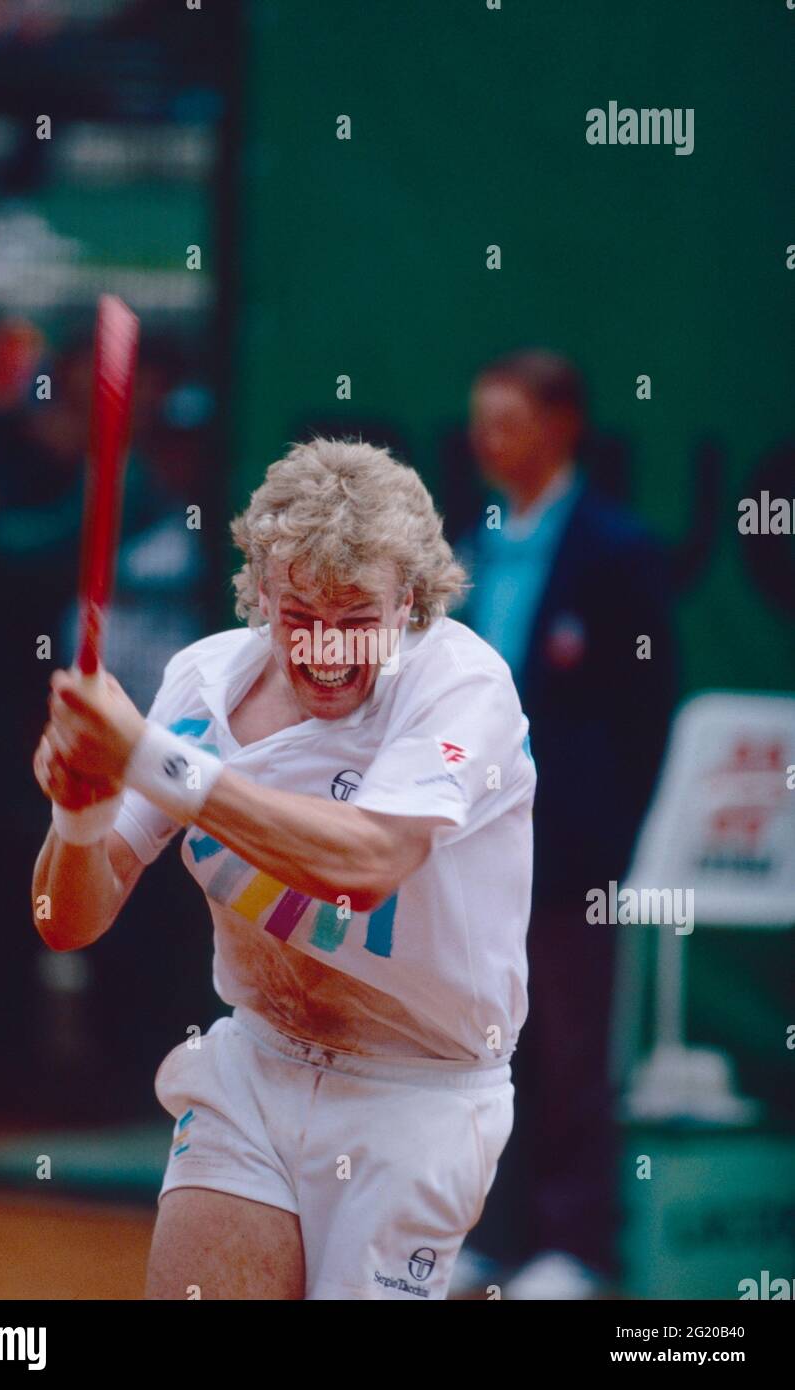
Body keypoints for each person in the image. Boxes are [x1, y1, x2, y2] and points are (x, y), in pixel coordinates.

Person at [31, 437, 536, 1301]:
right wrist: (77, 814)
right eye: (300, 617)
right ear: (260, 594)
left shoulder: (462, 688)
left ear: (407, 602)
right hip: (253, 1066)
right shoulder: (201, 685)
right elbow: (66, 917)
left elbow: (369, 862)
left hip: (415, 1100)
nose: (328, 651)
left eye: (356, 620)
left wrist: (157, 764)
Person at [460, 350, 676, 1297]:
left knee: (573, 1045)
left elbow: (649, 706)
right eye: (479, 419)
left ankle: (576, 1249)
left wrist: (608, 836)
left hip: (576, 846)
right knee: (487, 1040)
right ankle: (490, 1238)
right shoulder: (473, 537)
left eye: (504, 419)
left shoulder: (619, 550)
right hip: (477, 844)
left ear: (560, 426)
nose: (484, 439)